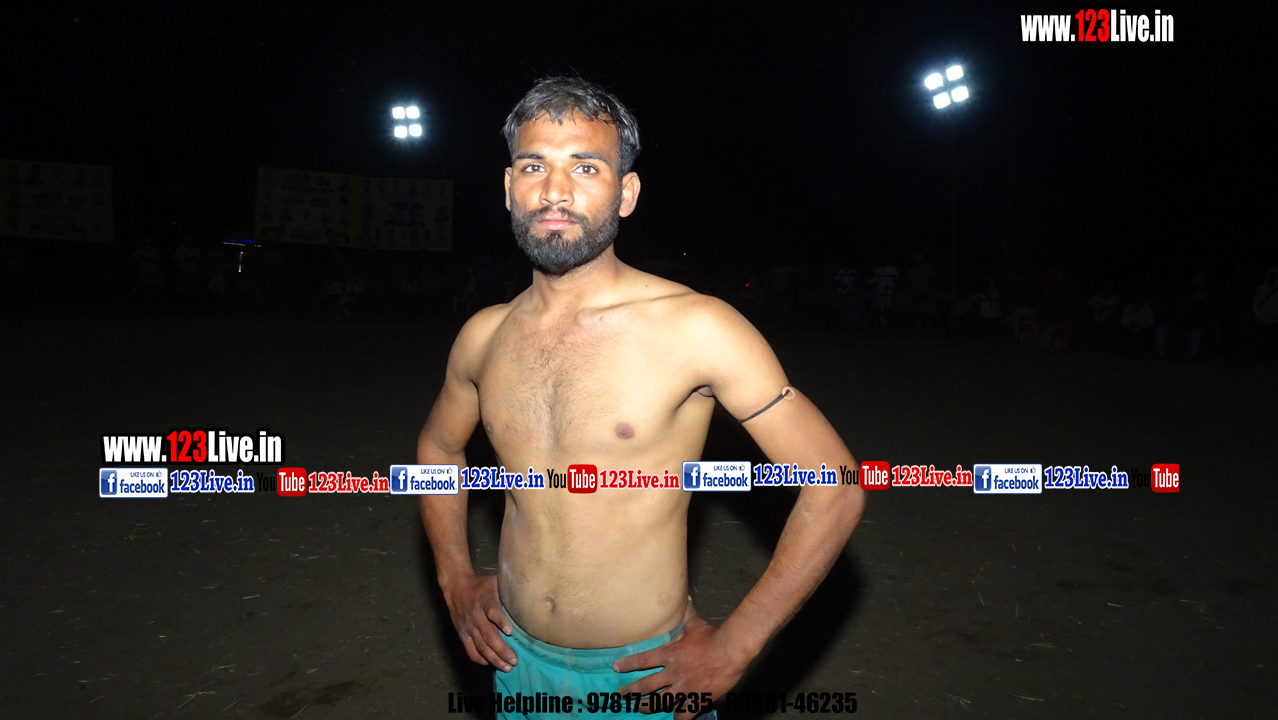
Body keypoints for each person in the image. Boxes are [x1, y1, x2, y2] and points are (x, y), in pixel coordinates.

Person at [416, 77, 865, 720]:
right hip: (517, 667)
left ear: (625, 193)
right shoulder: (483, 337)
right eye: (534, 165)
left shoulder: (697, 327)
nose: (555, 191)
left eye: (586, 167)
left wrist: (736, 646)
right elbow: (438, 448)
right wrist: (454, 577)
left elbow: (836, 485)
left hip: (645, 682)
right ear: (509, 186)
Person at [1254, 268, 1278, 361]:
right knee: (1262, 343)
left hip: (1274, 322)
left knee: (1272, 343)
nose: (1271, 278)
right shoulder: (1260, 290)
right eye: (1270, 276)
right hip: (1262, 321)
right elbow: (1256, 304)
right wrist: (1259, 316)